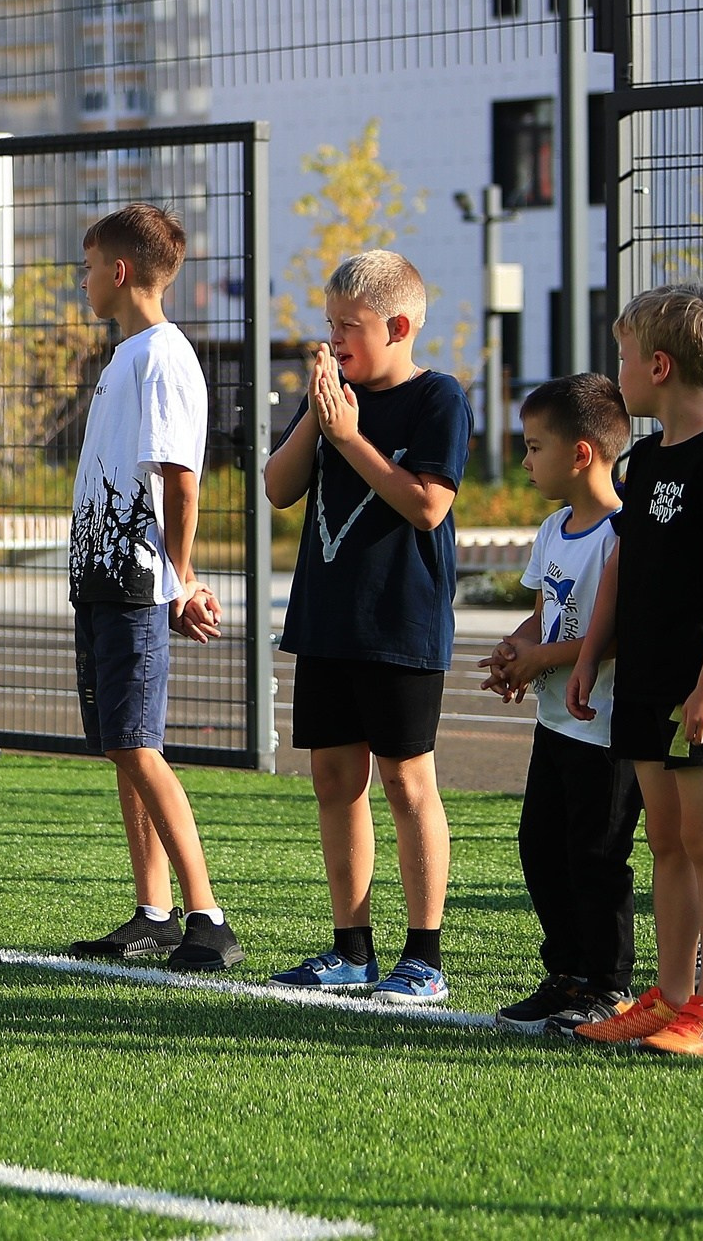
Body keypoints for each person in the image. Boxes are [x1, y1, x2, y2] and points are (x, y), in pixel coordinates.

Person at [263, 250, 466, 1003]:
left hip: (400, 622)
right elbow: (279, 489)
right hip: (325, 621)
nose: (335, 337)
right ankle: (352, 946)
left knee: (407, 780)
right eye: (329, 323)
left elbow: (427, 504)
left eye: (349, 325)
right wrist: (319, 419)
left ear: (400, 324)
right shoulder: (330, 396)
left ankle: (425, 955)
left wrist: (349, 437)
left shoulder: (437, 398)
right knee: (334, 777)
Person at [571, 286, 703, 1055]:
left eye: (623, 357)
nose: (618, 373)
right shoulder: (644, 459)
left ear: (658, 364)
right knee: (666, 841)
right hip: (643, 682)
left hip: (694, 690)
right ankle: (671, 996)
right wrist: (589, 653)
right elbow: (622, 564)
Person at [61, 205, 243, 972]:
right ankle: (155, 913)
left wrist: (180, 575)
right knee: (121, 748)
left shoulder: (162, 355)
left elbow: (179, 478)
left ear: (122, 272)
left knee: (139, 744)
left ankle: (210, 918)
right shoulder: (125, 355)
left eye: (91, 264)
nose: (85, 278)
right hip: (102, 581)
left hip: (135, 584)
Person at [477, 374, 638, 1034]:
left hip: (605, 729)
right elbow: (543, 616)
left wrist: (544, 657)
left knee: (596, 857)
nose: (524, 460)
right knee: (541, 846)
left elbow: (615, 635)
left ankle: (608, 983)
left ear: (581, 454)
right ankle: (567, 971)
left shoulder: (622, 533)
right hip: (555, 725)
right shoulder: (553, 529)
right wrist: (516, 654)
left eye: (534, 446)